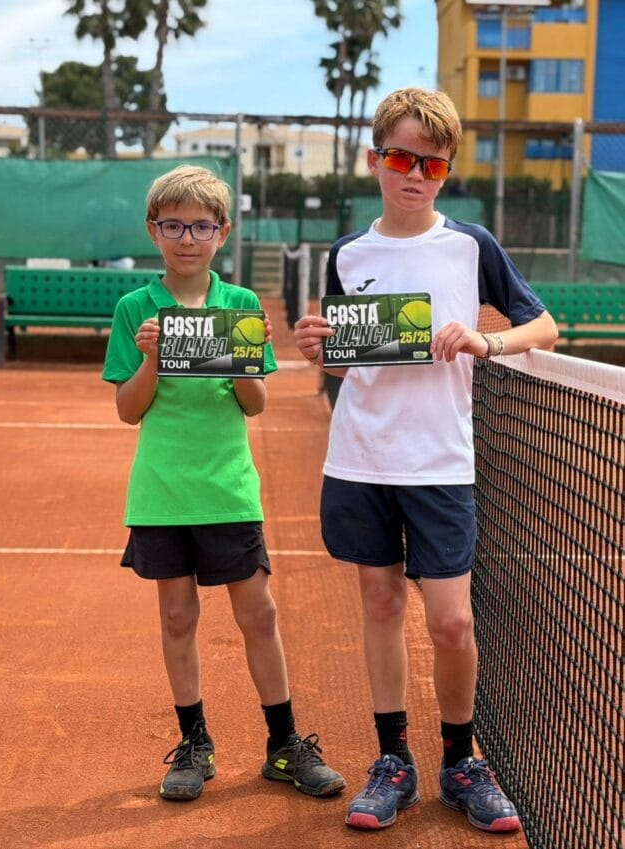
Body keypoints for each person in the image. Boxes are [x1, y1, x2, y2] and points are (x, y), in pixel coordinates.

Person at [294, 88, 558, 832]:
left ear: (446, 172)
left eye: (432, 164)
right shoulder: (348, 253)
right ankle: (393, 762)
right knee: (379, 605)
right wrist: (323, 352)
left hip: (441, 464)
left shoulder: (472, 246)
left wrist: (486, 341)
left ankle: (461, 760)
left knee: (451, 625)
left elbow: (543, 323)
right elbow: (356, 365)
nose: (415, 174)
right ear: (376, 158)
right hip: (362, 459)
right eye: (402, 157)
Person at [103, 164, 345, 803]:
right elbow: (129, 410)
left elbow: (255, 404)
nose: (188, 238)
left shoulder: (240, 306)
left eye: (201, 226)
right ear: (154, 230)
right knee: (178, 615)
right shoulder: (134, 309)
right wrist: (152, 358)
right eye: (174, 225)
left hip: (228, 488)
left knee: (258, 614)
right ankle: (195, 743)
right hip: (161, 490)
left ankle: (284, 744)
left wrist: (249, 355)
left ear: (222, 232)